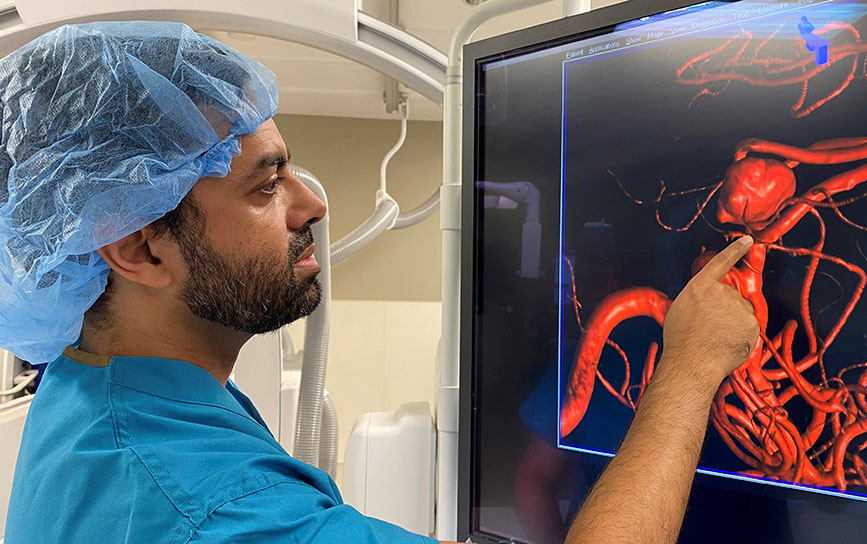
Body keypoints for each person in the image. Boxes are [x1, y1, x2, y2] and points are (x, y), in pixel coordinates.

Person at [0, 21, 758, 544]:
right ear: (138, 249)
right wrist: (689, 369)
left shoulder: (91, 392)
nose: (314, 205)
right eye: (266, 187)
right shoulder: (222, 512)